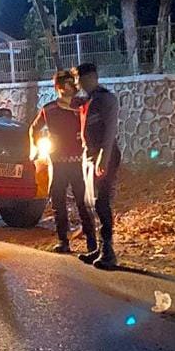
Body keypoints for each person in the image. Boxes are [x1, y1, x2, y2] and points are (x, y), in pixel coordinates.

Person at [32, 69, 95, 255]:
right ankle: (62, 240)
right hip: (57, 162)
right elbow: (34, 129)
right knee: (58, 201)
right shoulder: (49, 109)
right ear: (58, 87)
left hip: (79, 162)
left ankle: (92, 242)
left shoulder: (83, 105)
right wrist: (36, 148)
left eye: (72, 83)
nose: (71, 87)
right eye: (66, 84)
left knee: (83, 201)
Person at [75, 62, 122, 269]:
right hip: (89, 155)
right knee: (90, 203)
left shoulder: (106, 99)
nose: (81, 84)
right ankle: (99, 247)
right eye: (79, 81)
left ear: (93, 78)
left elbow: (110, 131)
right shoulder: (87, 100)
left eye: (84, 79)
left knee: (102, 202)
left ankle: (108, 252)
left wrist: (104, 156)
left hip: (105, 155)